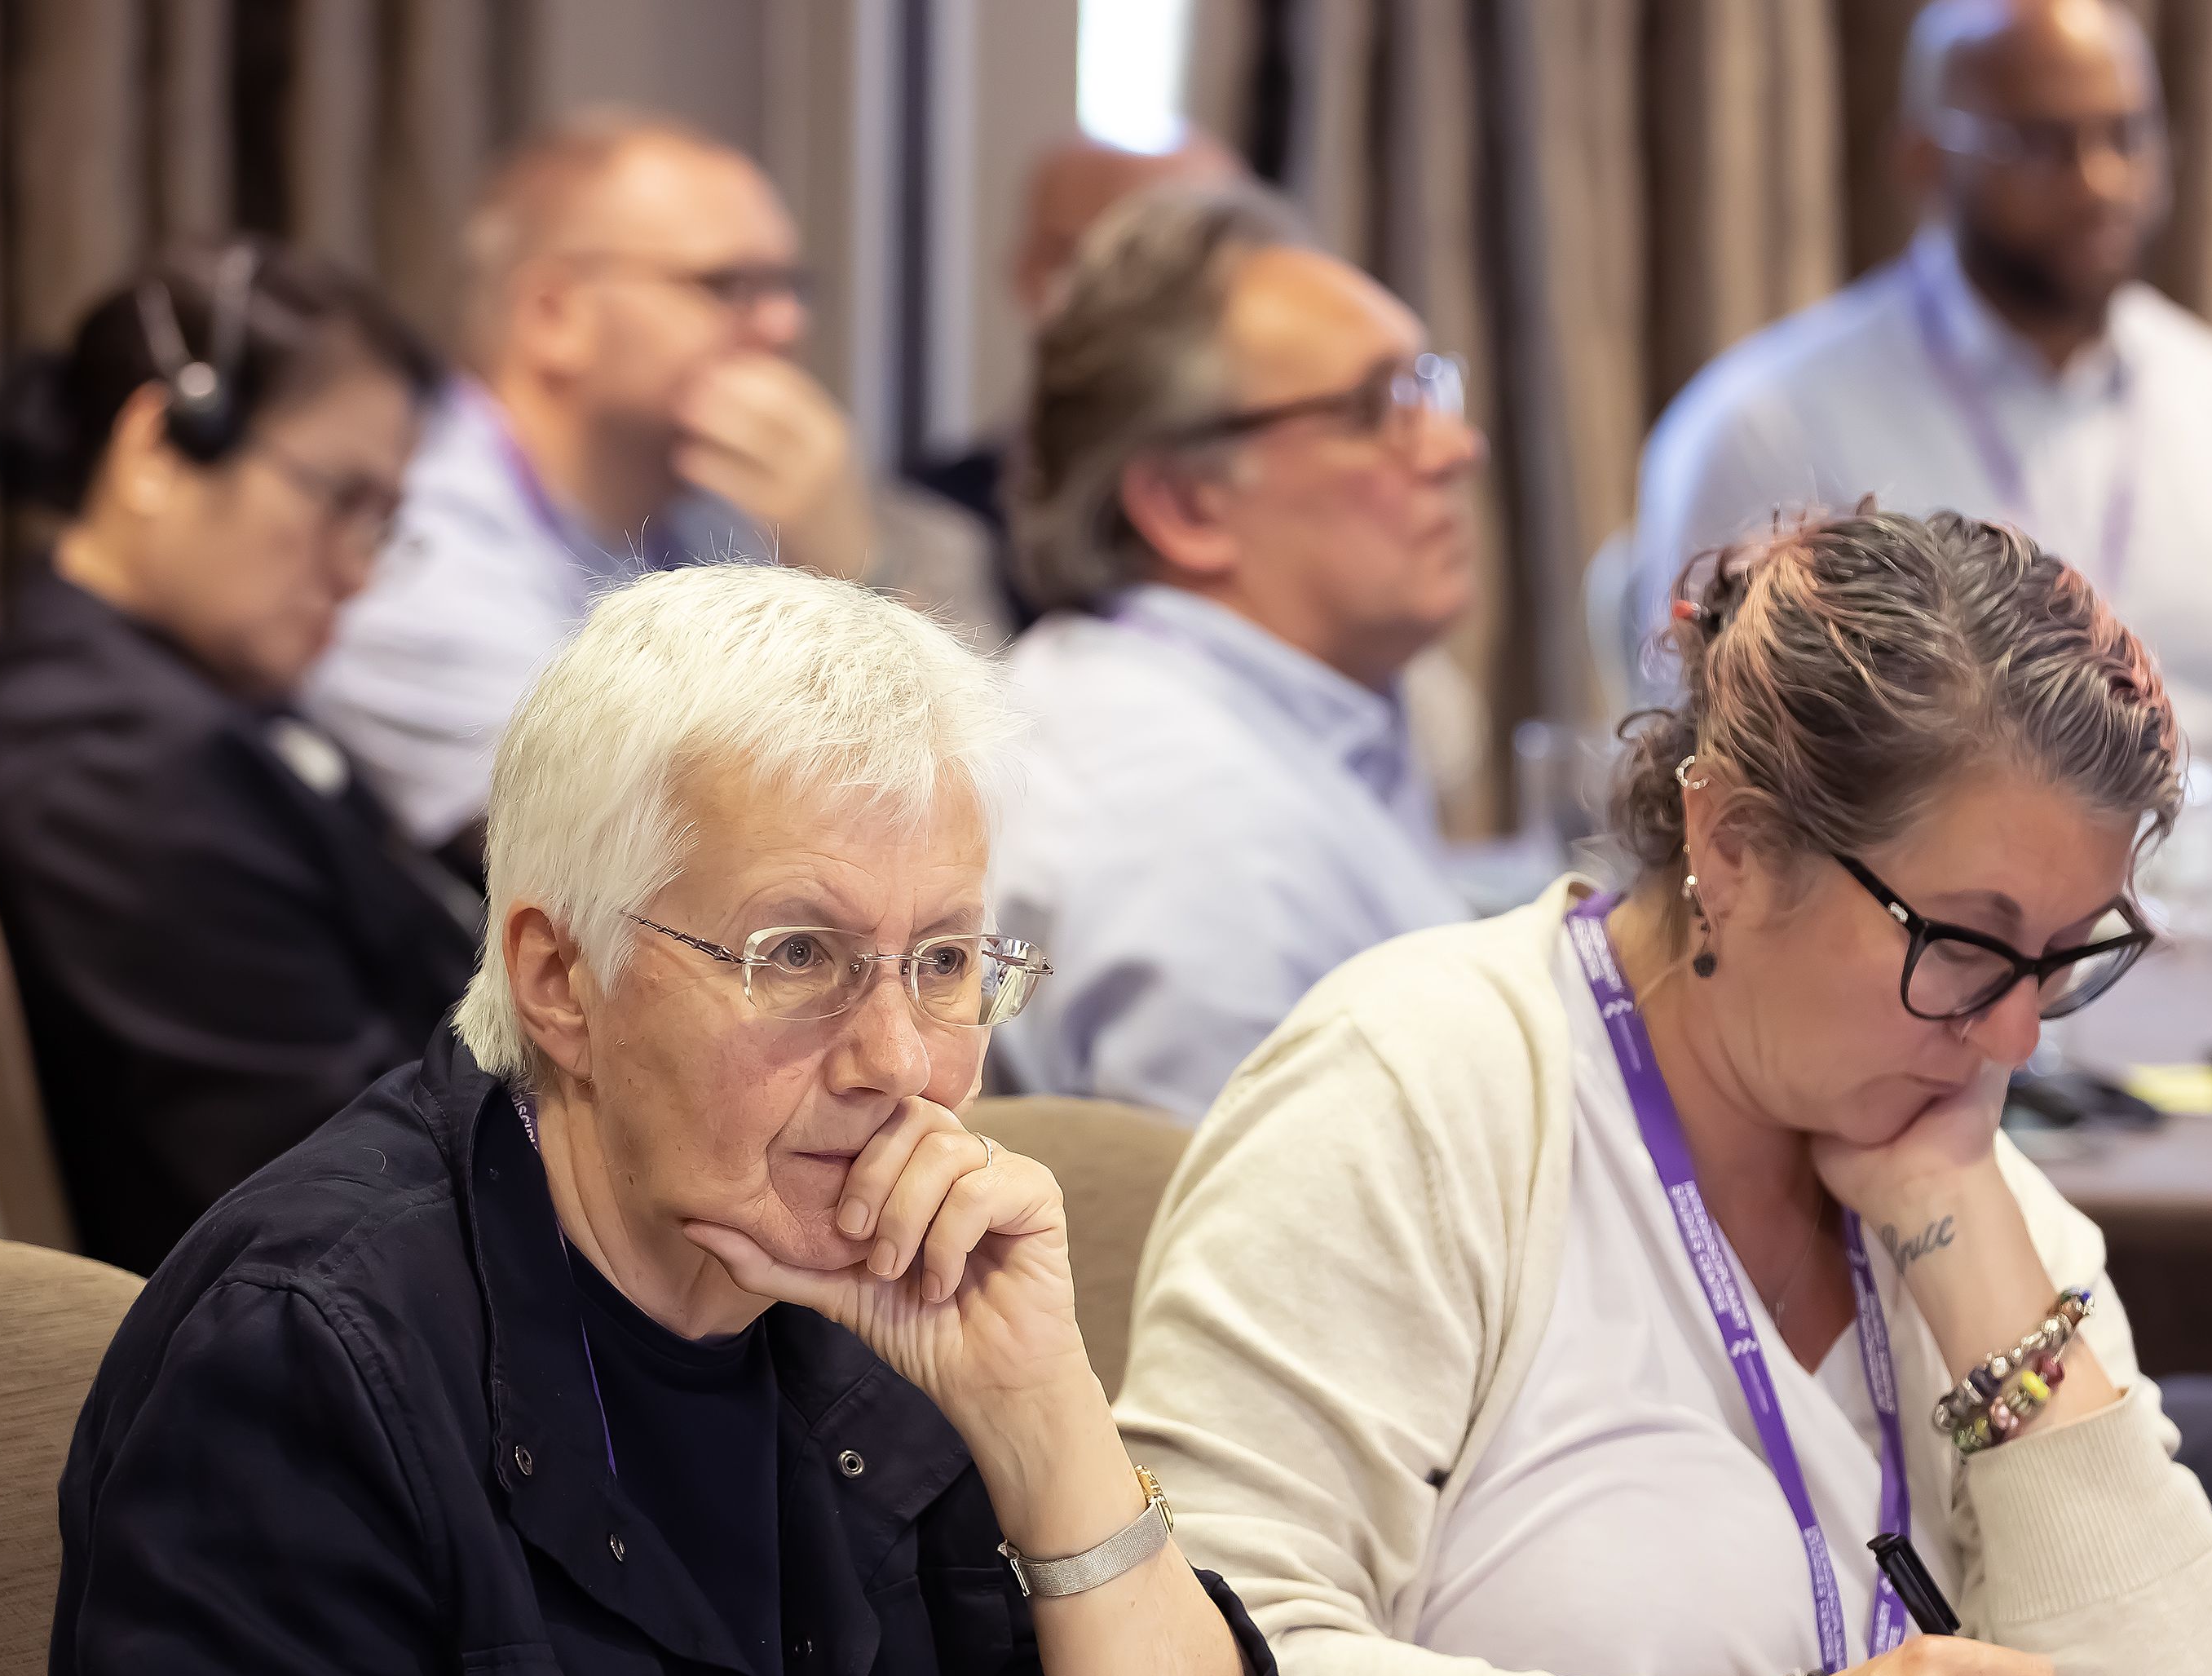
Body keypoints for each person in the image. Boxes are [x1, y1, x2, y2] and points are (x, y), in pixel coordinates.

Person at [0, 566, 1305, 1676]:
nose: (901, 1063)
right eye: (798, 954)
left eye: (942, 961)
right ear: (557, 976)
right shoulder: (309, 1351)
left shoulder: (864, 1287)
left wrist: (1042, 1414)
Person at [1119, 510, 2212, 1676]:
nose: (2016, 1039)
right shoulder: (1417, 1083)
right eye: (1966, 943)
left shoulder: (1947, 1146)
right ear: (1729, 844)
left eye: (2066, 955)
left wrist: (1961, 1237)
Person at [1636, 0, 2212, 809]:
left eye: (2128, 136)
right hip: (1922, 924)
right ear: (1922, 158)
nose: (2101, 182)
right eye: (2043, 145)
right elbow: (1709, 778)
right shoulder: (1765, 424)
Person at [0, 239, 478, 1274]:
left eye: (382, 525)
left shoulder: (183, 703)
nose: (356, 574)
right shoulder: (113, 769)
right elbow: (351, 1192)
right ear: (158, 445)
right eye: (338, 499)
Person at [990, 183, 1482, 1117]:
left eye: (1431, 387)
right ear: (1187, 505)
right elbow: (1289, 1248)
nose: (1457, 446)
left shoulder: (1248, 705)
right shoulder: (1190, 834)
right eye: (1378, 406)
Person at [303, 109, 889, 865]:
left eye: (790, 286)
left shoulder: (716, 518)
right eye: (730, 285)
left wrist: (849, 569)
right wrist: (854, 587)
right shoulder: (406, 550)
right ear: (554, 315)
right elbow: (662, 866)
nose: (784, 324)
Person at [912, 126, 1252, 622]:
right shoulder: (937, 519)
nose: (1137, 305)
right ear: (1027, 272)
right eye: (1089, 260)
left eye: (1187, 269)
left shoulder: (1313, 497)